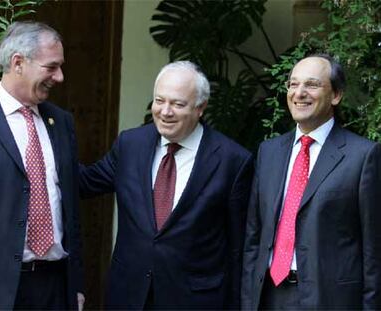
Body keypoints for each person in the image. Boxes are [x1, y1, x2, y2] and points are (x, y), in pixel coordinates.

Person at [79, 61, 254, 309]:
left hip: (195, 300)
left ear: (200, 107)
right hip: (129, 295)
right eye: (159, 101)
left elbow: (239, 246)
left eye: (178, 104)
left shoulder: (232, 161)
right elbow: (84, 182)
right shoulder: (130, 145)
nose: (165, 111)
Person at [241, 54, 381, 310]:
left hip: (330, 300)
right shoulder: (268, 152)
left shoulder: (363, 156)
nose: (299, 93)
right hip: (268, 296)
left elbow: (374, 251)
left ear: (336, 95)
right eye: (293, 84)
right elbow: (254, 236)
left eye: (312, 85)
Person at [0, 21, 84, 310]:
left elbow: (71, 205)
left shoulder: (61, 122)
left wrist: (76, 285)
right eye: (51, 67)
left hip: (54, 286)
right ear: (18, 62)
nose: (59, 77)